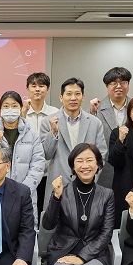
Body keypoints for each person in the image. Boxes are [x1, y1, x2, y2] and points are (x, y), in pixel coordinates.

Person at [0, 91, 45, 225]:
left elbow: (38, 164)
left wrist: (23, 190)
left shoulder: (31, 134)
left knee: (24, 230)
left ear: (20, 108)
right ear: (0, 110)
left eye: (14, 106)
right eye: (6, 106)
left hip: (25, 194)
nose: (10, 110)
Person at [40, 78, 107, 210]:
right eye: (69, 94)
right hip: (58, 185)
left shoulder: (94, 123)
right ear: (61, 97)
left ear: (83, 97)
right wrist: (53, 133)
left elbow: (102, 155)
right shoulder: (48, 121)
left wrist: (91, 177)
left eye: (77, 94)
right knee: (54, 226)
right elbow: (46, 154)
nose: (73, 98)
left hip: (87, 185)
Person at [87, 67, 132, 188]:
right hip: (105, 169)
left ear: (128, 84)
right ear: (107, 86)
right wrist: (91, 114)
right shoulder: (97, 108)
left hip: (130, 168)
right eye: (113, 83)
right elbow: (89, 137)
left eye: (123, 82)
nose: (119, 86)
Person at [22, 72, 59, 214]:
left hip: (48, 174)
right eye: (34, 86)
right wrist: (23, 114)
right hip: (27, 173)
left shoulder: (55, 113)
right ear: (27, 89)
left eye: (42, 86)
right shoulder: (21, 113)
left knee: (47, 211)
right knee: (27, 212)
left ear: (47, 89)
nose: (38, 89)